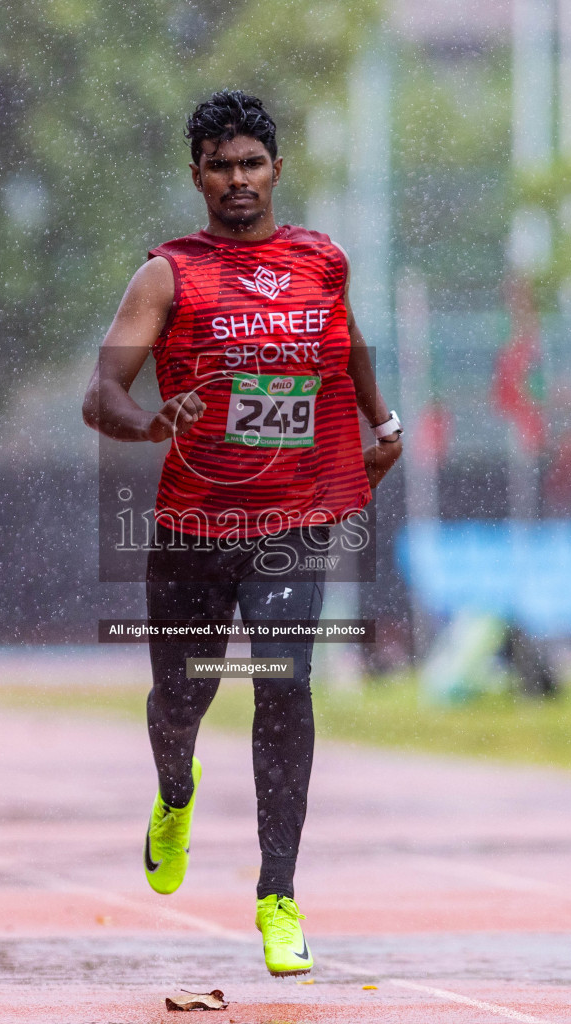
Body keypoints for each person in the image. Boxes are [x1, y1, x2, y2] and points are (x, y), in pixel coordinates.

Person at [81, 90, 402, 977]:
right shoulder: (168, 274)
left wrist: (382, 422)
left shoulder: (320, 261)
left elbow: (349, 344)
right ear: (196, 176)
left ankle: (278, 894)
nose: (236, 180)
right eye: (219, 166)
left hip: (294, 518)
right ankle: (174, 793)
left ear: (276, 169)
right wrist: (151, 423)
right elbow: (98, 394)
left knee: (283, 683)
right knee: (183, 698)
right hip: (194, 523)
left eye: (251, 163)